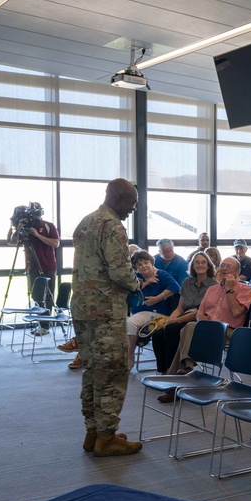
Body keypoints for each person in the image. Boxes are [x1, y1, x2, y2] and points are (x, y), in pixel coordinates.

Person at [71, 178, 143, 456]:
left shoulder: (87, 221)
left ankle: (93, 431)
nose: (132, 210)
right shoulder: (112, 225)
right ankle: (107, 437)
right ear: (116, 197)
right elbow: (119, 271)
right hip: (105, 311)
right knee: (113, 371)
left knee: (92, 370)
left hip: (83, 307)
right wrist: (138, 285)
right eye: (131, 204)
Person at [159, 257, 251, 399]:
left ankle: (176, 382)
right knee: (189, 326)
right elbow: (200, 312)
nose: (223, 268)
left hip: (228, 331)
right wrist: (202, 320)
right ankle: (184, 371)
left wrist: (229, 289)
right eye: (222, 265)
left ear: (237, 272)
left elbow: (236, 312)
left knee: (189, 330)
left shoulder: (245, 289)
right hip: (207, 328)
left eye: (228, 266)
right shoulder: (212, 289)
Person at [151, 253, 218, 374]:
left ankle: (173, 370)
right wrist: (169, 320)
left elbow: (202, 311)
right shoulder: (187, 282)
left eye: (203, 262)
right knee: (158, 334)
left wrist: (176, 321)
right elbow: (179, 308)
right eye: (197, 262)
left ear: (208, 266)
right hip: (184, 315)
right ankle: (164, 371)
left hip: (199, 319)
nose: (200, 265)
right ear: (192, 265)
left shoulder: (214, 285)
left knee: (171, 330)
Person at [6, 202, 59, 334]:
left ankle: (45, 326)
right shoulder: (24, 227)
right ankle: (40, 323)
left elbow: (56, 243)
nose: (36, 217)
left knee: (48, 296)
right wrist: (18, 228)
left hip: (48, 266)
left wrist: (37, 235)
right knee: (36, 296)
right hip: (32, 267)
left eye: (38, 214)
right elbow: (12, 242)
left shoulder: (48, 226)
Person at [125, 250, 180, 367]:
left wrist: (158, 298)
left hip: (156, 313)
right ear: (135, 267)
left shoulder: (161, 274)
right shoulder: (136, 277)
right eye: (139, 264)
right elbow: (129, 294)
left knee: (131, 323)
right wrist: (145, 283)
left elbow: (175, 287)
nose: (143, 266)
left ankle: (130, 356)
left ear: (151, 262)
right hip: (136, 311)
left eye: (146, 262)